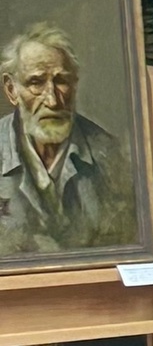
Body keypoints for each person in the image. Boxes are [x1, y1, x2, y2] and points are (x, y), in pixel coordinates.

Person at [0, 21, 137, 256]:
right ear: (12, 90)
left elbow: (125, 245)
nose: (52, 100)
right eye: (36, 83)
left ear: (74, 84)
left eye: (61, 81)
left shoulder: (112, 157)